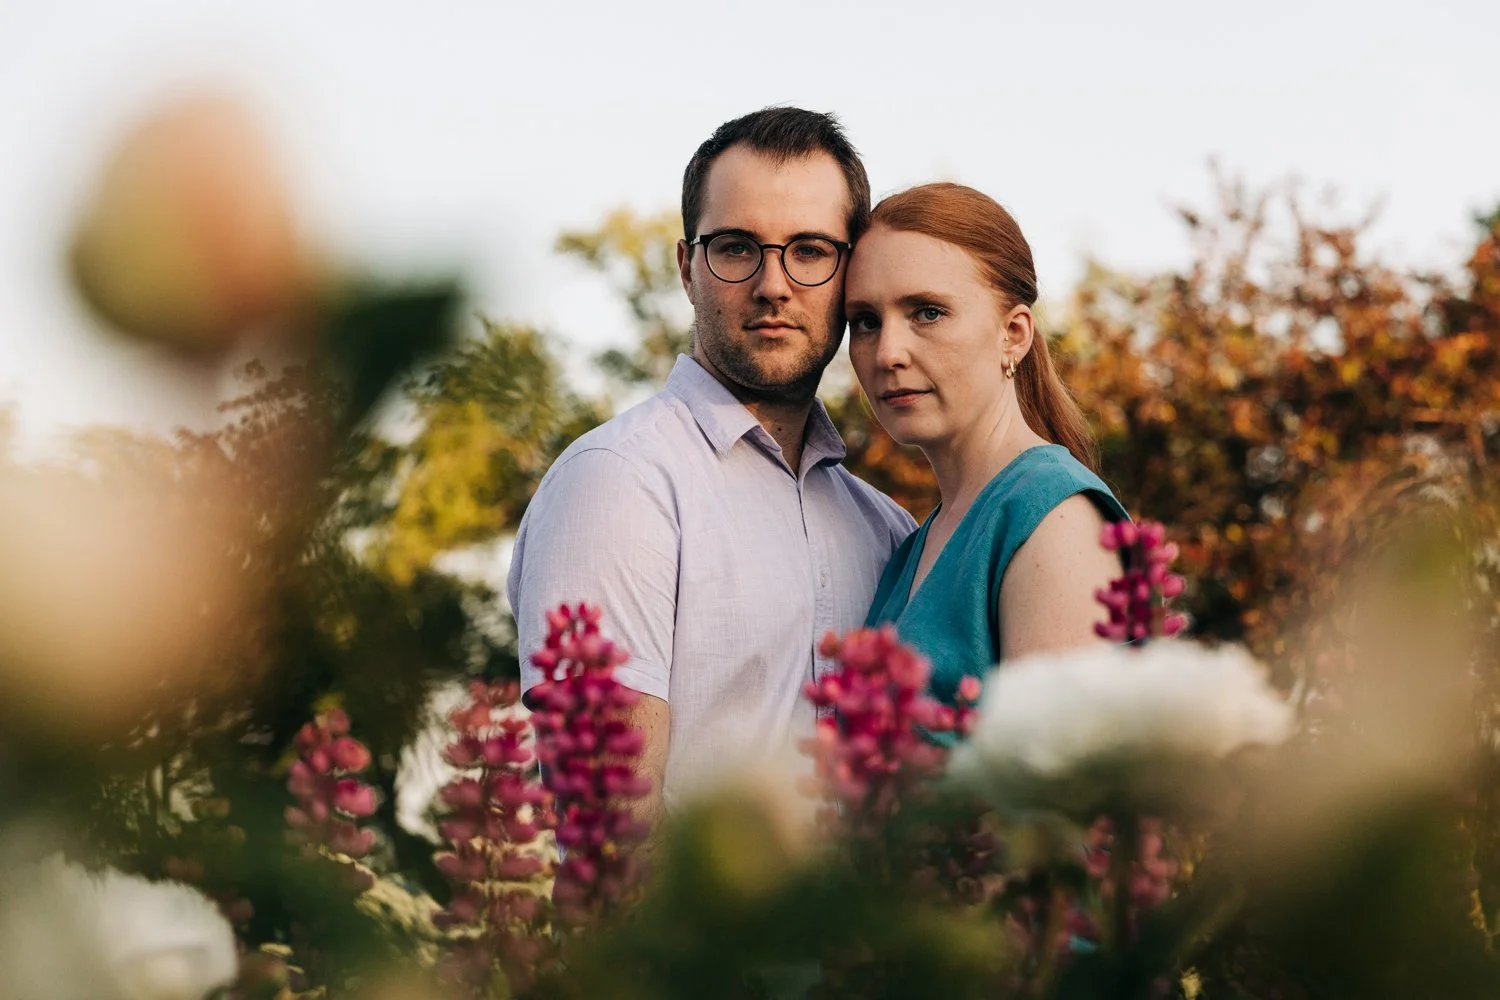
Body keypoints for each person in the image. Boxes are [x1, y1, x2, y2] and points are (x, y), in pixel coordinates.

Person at [507, 108, 915, 829]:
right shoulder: (617, 482)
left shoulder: (888, 528)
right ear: (686, 268)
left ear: (852, 273)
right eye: (735, 247)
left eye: (811, 250)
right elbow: (612, 836)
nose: (773, 284)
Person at [845, 182, 1127, 709]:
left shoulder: (1055, 520)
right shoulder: (917, 540)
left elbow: (1056, 760)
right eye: (865, 321)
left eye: (927, 312)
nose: (887, 352)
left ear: (1013, 334)